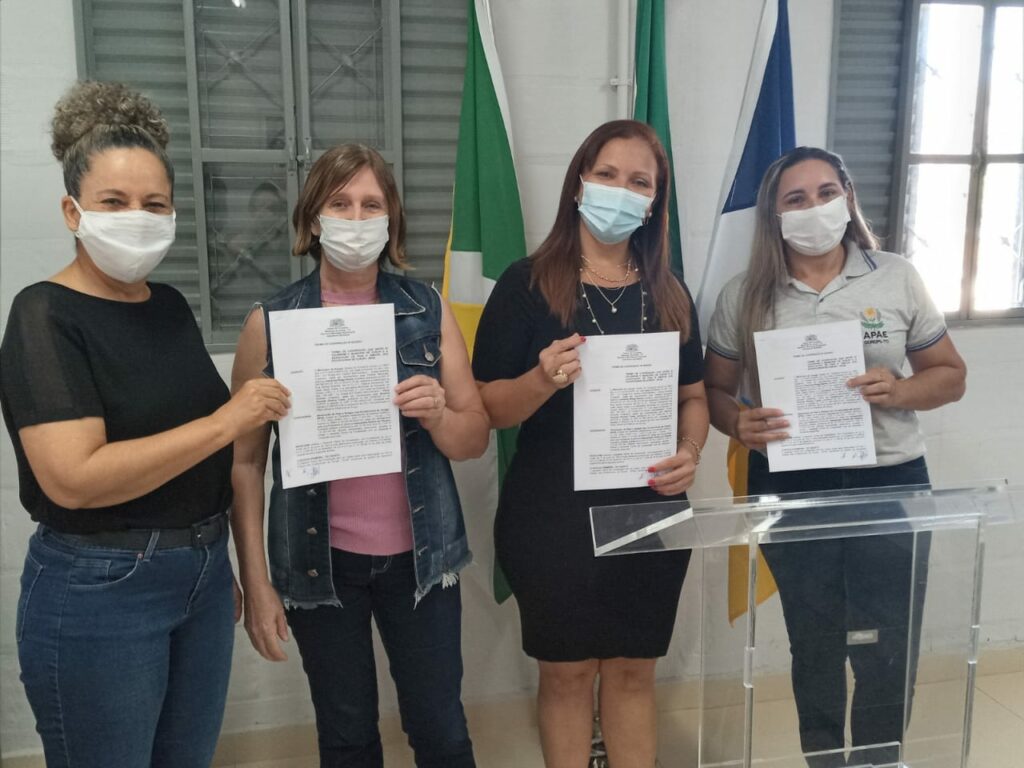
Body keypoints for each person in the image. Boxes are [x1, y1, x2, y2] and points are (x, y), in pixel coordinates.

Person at [0, 80, 290, 767]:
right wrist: (229, 421)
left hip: (199, 572)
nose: (137, 218)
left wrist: (228, 565)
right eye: (114, 202)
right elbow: (74, 479)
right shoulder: (43, 315)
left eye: (154, 204)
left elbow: (206, 462)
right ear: (72, 210)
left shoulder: (168, 307)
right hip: (100, 585)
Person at [704, 146, 967, 767]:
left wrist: (900, 390)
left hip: (891, 480)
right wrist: (737, 421)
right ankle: (823, 759)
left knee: (887, 643)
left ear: (848, 196)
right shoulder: (745, 294)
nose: (814, 208)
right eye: (796, 199)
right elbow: (714, 391)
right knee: (814, 640)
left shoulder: (895, 275)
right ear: (774, 215)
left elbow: (951, 375)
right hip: (791, 481)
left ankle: (878, 760)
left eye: (826, 193)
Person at [231, 143, 489, 768]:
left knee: (442, 733)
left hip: (421, 561)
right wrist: (257, 581)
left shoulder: (427, 309)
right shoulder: (270, 322)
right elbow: (245, 463)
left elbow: (474, 437)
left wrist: (438, 414)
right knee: (346, 737)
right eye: (339, 203)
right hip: (321, 565)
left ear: (391, 219)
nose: (355, 218)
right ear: (313, 219)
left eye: (371, 204)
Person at [472, 120, 709, 768]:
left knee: (633, 674)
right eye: (607, 175)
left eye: (639, 182)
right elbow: (488, 407)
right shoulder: (525, 285)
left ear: (655, 202)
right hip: (552, 516)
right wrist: (540, 380)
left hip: (649, 509)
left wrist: (691, 452)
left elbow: (693, 398)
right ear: (579, 183)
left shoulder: (670, 293)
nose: (621, 191)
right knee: (567, 675)